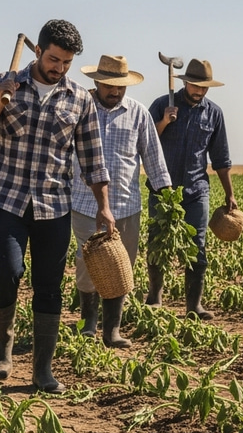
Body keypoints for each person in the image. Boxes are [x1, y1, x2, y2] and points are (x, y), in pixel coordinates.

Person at [0, 19, 113, 393]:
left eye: (66, 62)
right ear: (38, 51)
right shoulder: (7, 82)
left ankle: (42, 370)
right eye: (53, 59)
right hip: (8, 199)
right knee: (6, 272)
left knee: (49, 287)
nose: (59, 68)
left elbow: (93, 159)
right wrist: (0, 103)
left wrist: (104, 206)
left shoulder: (79, 98)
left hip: (54, 205)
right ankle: (4, 341)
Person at [71, 55, 171, 348]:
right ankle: (88, 322)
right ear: (97, 82)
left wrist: (166, 195)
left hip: (126, 204)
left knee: (121, 266)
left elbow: (153, 156)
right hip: (84, 202)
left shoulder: (138, 113)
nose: (115, 92)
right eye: (109, 86)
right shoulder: (81, 110)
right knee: (87, 263)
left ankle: (111, 330)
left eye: (120, 87)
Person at [147, 59, 237, 320]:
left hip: (197, 190)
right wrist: (164, 121)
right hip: (162, 189)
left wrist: (230, 193)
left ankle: (194, 306)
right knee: (157, 244)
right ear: (185, 82)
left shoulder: (214, 113)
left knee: (197, 247)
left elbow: (221, 158)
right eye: (195, 85)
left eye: (204, 87)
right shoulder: (163, 104)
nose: (199, 91)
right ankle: (154, 298)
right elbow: (146, 141)